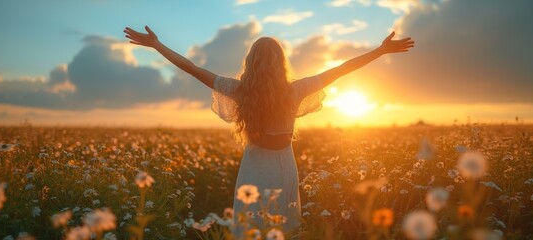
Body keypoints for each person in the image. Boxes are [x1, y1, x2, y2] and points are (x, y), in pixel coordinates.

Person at [124, 25, 414, 237]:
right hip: (282, 164)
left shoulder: (240, 90)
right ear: (281, 63)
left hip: (255, 166)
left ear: (250, 63)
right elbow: (342, 69)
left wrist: (157, 45)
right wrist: (380, 50)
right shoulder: (294, 90)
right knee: (282, 227)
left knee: (252, 226)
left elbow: (191, 68)